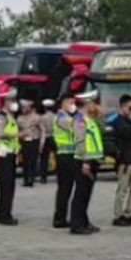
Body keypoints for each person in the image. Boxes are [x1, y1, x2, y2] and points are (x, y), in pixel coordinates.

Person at [69, 90, 104, 235]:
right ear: (87, 104)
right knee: (81, 193)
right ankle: (76, 224)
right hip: (84, 160)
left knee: (86, 193)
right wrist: (85, 161)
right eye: (93, 103)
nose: (95, 106)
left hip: (92, 160)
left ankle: (84, 220)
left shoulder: (90, 119)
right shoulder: (80, 120)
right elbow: (80, 141)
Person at [112, 94, 131, 227]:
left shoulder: (129, 121)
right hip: (124, 161)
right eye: (130, 108)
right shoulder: (118, 121)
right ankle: (118, 215)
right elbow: (126, 133)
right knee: (123, 189)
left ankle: (128, 213)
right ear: (122, 107)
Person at [0, 88, 21, 225]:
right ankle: (4, 215)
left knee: (10, 186)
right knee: (6, 186)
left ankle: (4, 213)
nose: (14, 103)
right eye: (12, 100)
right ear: (5, 102)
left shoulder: (11, 117)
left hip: (11, 154)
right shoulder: (1, 117)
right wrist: (16, 135)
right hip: (3, 154)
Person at [52, 93, 78, 228]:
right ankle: (59, 218)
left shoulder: (67, 116)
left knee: (67, 188)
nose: (72, 105)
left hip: (70, 154)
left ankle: (61, 216)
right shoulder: (61, 117)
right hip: (64, 155)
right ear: (63, 103)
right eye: (70, 102)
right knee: (64, 188)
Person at [18, 99, 42, 188]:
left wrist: (41, 142)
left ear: (29, 108)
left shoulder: (36, 118)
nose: (23, 109)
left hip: (34, 140)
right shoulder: (19, 119)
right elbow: (18, 130)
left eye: (25, 107)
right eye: (22, 108)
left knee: (33, 160)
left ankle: (31, 179)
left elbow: (42, 130)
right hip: (24, 141)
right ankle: (25, 179)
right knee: (25, 161)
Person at [39, 99, 56, 184]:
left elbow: (42, 130)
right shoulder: (56, 117)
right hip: (55, 138)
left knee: (44, 158)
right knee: (57, 157)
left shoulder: (42, 118)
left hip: (46, 138)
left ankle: (43, 177)